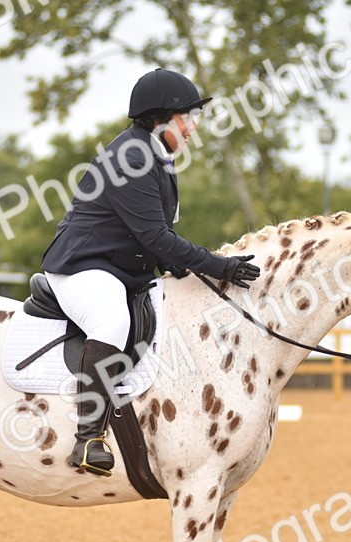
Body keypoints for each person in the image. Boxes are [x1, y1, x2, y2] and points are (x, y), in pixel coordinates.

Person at [41, 68, 261, 475]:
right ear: (163, 118)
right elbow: (156, 236)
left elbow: (156, 239)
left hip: (121, 269)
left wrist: (189, 270)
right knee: (111, 319)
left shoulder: (156, 155)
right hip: (84, 267)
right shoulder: (133, 158)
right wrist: (219, 266)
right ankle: (88, 438)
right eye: (188, 118)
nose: (194, 127)